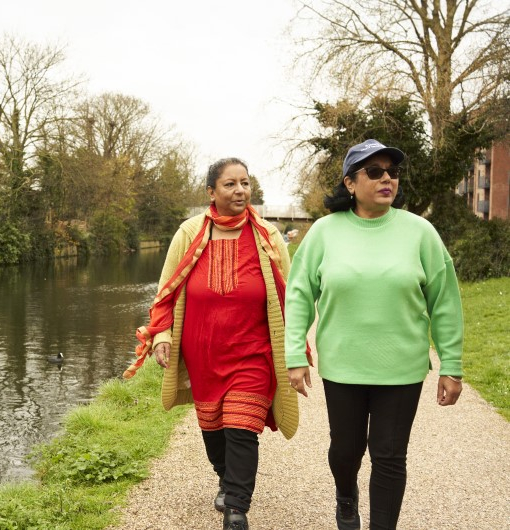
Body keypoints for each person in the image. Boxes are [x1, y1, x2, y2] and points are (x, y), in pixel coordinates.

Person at [285, 139, 464, 530]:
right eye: (375, 171)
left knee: (389, 455)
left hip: (401, 367)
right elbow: (298, 295)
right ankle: (346, 496)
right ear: (350, 183)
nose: (387, 179)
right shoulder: (323, 232)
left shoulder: (421, 233)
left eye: (393, 172)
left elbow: (445, 302)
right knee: (346, 450)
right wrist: (295, 355)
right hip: (343, 364)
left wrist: (452, 365)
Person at [124, 157, 304, 530]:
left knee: (242, 427)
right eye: (230, 184)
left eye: (245, 183)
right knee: (214, 428)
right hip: (202, 353)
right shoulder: (190, 233)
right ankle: (225, 475)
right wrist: (161, 336)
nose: (240, 190)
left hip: (253, 353)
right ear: (211, 192)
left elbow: (293, 295)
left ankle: (237, 508)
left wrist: (296, 347)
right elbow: (166, 292)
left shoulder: (268, 235)